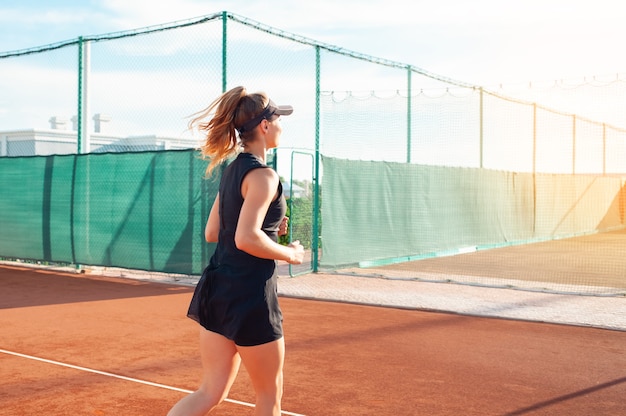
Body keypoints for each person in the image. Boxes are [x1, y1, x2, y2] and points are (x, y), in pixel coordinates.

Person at [167, 86, 305, 416]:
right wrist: (291, 254)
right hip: (250, 296)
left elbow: (214, 232)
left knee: (210, 392)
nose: (282, 126)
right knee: (269, 397)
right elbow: (245, 238)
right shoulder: (264, 176)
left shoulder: (232, 172)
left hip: (217, 291)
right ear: (265, 126)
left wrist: (270, 231)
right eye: (278, 119)